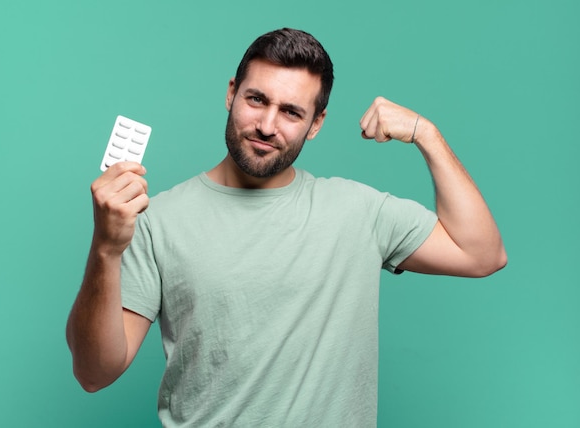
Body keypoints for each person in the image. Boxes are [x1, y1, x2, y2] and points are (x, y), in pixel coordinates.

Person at [66, 28, 506, 427]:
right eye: (257, 99)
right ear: (231, 93)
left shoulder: (359, 212)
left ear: (316, 124)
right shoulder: (157, 221)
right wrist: (105, 248)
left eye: (291, 112)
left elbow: (482, 254)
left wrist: (426, 134)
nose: (267, 125)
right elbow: (93, 373)